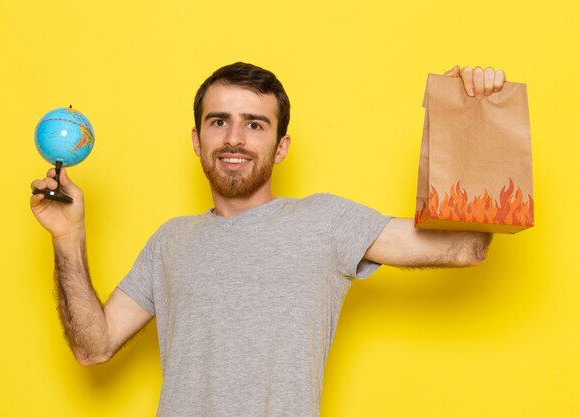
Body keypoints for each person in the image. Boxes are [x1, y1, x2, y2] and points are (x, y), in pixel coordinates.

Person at [30, 62, 506, 417]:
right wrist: (68, 236)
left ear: (281, 146)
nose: (234, 138)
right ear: (197, 139)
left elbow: (466, 245)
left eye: (254, 124)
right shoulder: (169, 242)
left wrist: (463, 117)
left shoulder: (325, 221)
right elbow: (93, 347)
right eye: (219, 121)